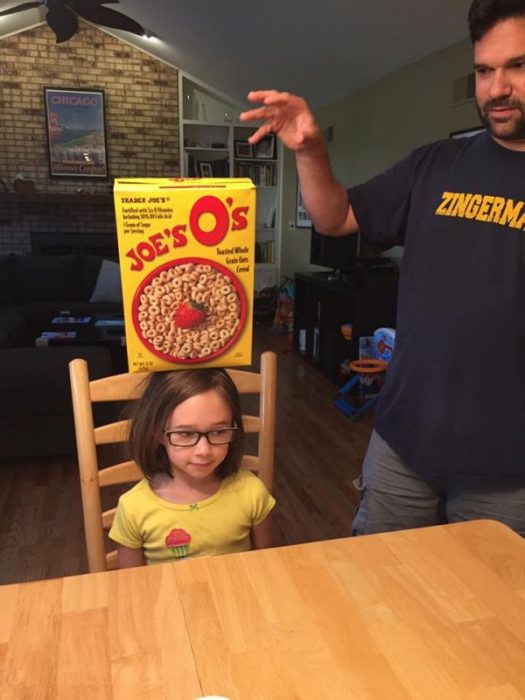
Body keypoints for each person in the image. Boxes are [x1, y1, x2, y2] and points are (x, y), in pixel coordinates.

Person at [240, 0, 525, 536]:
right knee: (377, 599)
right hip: (403, 446)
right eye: (485, 70)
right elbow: (335, 216)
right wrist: (309, 150)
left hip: (510, 473)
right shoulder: (436, 164)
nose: (496, 88)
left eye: (518, 66)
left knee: (488, 616)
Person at [109, 368, 275, 567]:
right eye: (186, 434)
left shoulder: (251, 491)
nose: (204, 450)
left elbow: (268, 565)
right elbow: (133, 585)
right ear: (158, 433)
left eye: (219, 431)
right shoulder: (133, 508)